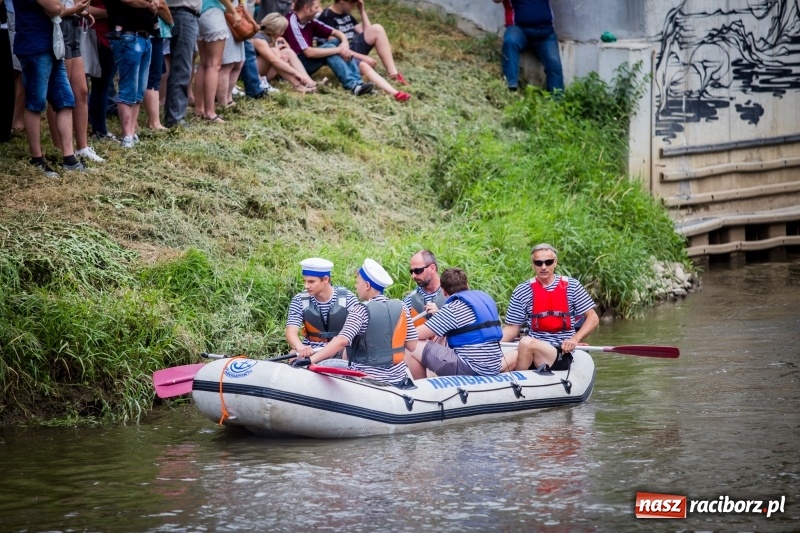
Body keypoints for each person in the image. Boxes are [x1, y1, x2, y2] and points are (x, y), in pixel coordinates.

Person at [293, 258, 417, 385]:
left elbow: (342, 340)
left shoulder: (360, 310)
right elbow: (412, 345)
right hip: (399, 379)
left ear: (367, 286)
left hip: (368, 381)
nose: (356, 286)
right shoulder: (402, 306)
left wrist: (310, 360)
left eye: (358, 282)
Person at [14, 0, 86, 175]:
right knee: (35, 103)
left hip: (52, 45)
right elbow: (55, 8)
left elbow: (57, 9)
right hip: (34, 46)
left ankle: (69, 160)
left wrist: (58, 8)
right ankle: (37, 160)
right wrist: (59, 8)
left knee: (65, 100)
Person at [502, 243, 599, 372]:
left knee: (525, 342)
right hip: (531, 346)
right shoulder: (522, 290)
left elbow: (593, 318)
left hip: (560, 351)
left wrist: (574, 339)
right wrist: (491, 342)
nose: (543, 267)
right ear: (533, 264)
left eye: (548, 262)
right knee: (499, 366)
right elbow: (513, 327)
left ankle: (521, 383)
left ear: (555, 263)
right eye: (538, 263)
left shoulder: (572, 286)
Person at [405, 267, 504, 379]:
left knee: (411, 345)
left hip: (471, 368)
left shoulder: (452, 308)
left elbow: (415, 334)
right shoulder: (485, 300)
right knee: (442, 336)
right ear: (467, 285)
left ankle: (422, 389)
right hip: (494, 366)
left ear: (444, 291)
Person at [45, 0, 105, 162]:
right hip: (59, 25)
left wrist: (79, 10)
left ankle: (82, 147)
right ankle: (60, 147)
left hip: (74, 24)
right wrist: (74, 9)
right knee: (60, 92)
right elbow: (53, 9)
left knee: (82, 91)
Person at [318, 0, 409, 101]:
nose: (353, 6)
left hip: (351, 48)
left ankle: (393, 74)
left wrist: (362, 10)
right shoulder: (327, 17)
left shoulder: (346, 15)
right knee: (363, 65)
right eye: (352, 3)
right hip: (340, 53)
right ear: (342, 1)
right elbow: (335, 47)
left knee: (377, 29)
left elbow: (367, 32)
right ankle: (394, 93)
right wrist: (362, 57)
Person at [282, 0, 374, 96]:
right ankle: (352, 85)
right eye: (316, 8)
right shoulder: (292, 21)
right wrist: (338, 50)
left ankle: (359, 84)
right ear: (306, 9)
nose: (318, 11)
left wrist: (344, 43)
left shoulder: (309, 20)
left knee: (336, 42)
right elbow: (309, 53)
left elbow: (336, 32)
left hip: (305, 60)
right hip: (295, 67)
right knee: (331, 48)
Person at [105, 0, 157, 147]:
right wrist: (148, 4)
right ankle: (127, 135)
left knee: (139, 90)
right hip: (128, 36)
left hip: (145, 37)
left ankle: (132, 132)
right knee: (129, 88)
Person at [285, 257, 359, 357]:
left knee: (349, 355)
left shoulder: (348, 298)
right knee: (293, 355)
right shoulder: (299, 300)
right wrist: (300, 347)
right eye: (305, 281)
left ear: (325, 279)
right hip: (311, 349)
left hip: (340, 348)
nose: (306, 286)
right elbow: (291, 332)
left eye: (311, 282)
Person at [492, 0, 563, 93]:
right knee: (510, 42)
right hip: (519, 29)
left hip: (546, 33)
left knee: (554, 64)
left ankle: (557, 101)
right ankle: (510, 86)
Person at [194, 0, 239, 123]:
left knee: (204, 63)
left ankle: (199, 109)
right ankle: (210, 112)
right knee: (214, 65)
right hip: (212, 11)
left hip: (198, 11)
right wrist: (233, 11)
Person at [253, 12, 316, 93]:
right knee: (274, 53)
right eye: (283, 31)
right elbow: (273, 60)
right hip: (252, 74)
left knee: (287, 52)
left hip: (263, 71)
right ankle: (298, 85)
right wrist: (295, 73)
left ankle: (309, 82)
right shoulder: (258, 38)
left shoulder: (271, 38)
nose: (283, 34)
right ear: (277, 31)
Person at [163, 0, 200, 129]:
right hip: (182, 13)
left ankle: (174, 114)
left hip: (185, 14)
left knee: (181, 67)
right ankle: (175, 118)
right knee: (181, 69)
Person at [403, 249, 446, 327]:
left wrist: (440, 316)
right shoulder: (409, 301)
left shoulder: (453, 294)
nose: (413, 276)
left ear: (432, 268)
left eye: (417, 271)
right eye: (411, 271)